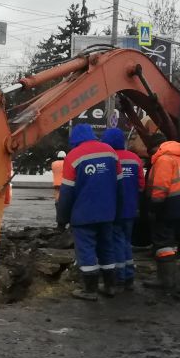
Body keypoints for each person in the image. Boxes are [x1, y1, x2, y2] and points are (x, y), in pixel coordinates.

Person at [56, 123, 119, 301]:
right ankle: (110, 286)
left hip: (83, 215)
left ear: (74, 139)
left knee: (86, 251)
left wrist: (62, 219)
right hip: (108, 213)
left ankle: (90, 290)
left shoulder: (74, 156)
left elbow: (66, 193)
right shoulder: (110, 152)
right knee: (107, 248)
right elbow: (119, 183)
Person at [102, 127, 144, 291]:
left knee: (116, 242)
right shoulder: (135, 158)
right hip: (131, 208)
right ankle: (129, 274)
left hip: (114, 209)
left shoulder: (109, 158)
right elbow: (141, 185)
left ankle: (120, 276)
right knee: (126, 241)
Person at [146, 136, 180, 293]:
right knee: (169, 242)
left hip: (166, 205)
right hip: (177, 204)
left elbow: (161, 186)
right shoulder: (176, 157)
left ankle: (165, 280)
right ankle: (167, 278)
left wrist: (154, 206)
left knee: (163, 243)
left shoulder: (164, 159)